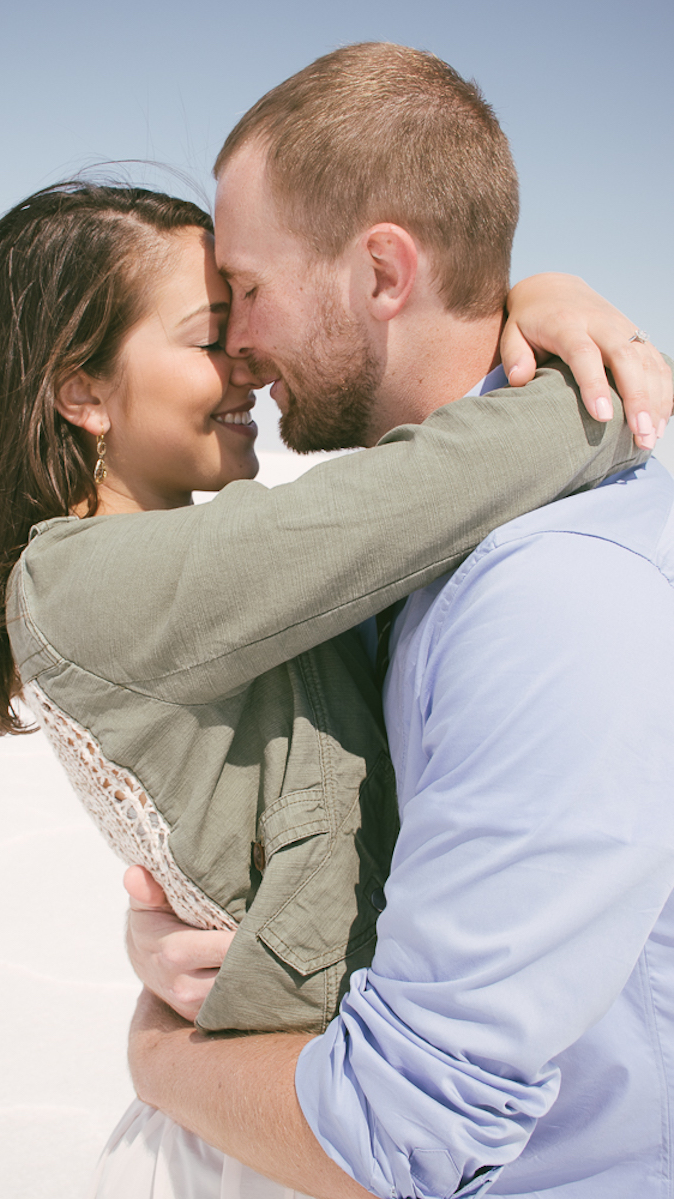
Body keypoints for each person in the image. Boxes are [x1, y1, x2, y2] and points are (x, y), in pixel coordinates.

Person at [118, 43, 674, 1199]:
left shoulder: (546, 595)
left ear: (380, 271)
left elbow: (405, 1135)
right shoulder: (406, 533)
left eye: (249, 292)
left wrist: (160, 1057)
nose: (235, 348)